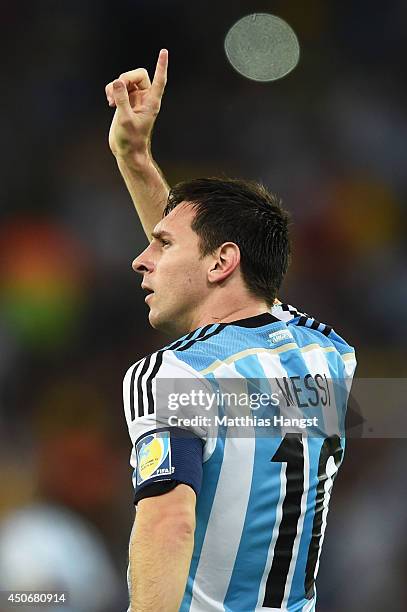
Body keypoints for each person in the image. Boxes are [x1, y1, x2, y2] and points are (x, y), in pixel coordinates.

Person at [105, 50, 357, 612]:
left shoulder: (171, 374)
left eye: (160, 245)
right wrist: (136, 158)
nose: (140, 260)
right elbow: (228, 289)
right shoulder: (329, 357)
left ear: (222, 262)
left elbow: (169, 523)